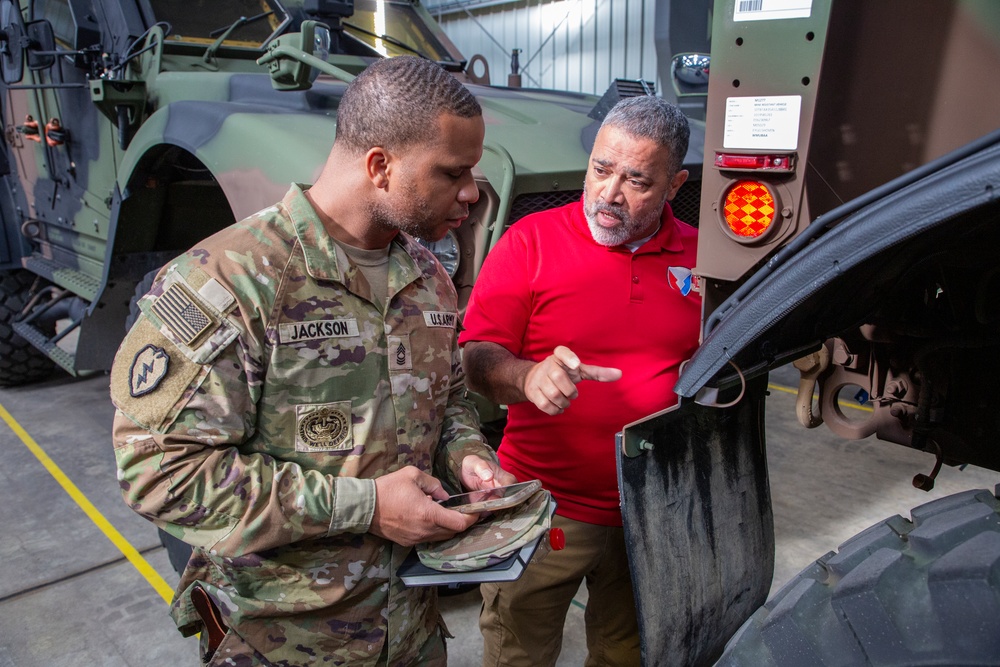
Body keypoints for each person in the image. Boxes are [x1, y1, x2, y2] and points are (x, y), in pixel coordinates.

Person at [110, 56, 515, 666]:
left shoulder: (428, 277)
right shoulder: (233, 281)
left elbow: (449, 396)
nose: (469, 194)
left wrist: (468, 456)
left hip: (409, 631)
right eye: (451, 173)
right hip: (284, 642)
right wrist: (368, 506)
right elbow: (160, 474)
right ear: (380, 166)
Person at [460, 95, 700, 667]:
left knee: (630, 655)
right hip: (546, 509)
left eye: (637, 180)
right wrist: (526, 375)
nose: (608, 194)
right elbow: (477, 359)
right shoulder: (530, 241)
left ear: (674, 185)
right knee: (518, 653)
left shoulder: (703, 257)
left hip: (655, 512)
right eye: (600, 169)